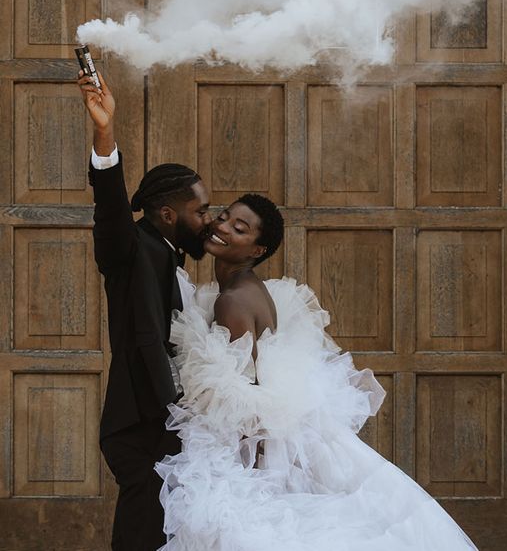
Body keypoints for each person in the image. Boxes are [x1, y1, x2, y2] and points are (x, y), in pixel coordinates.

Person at [156, 195, 478, 550]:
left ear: (257, 250)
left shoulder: (232, 301)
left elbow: (245, 394)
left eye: (239, 228)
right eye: (224, 217)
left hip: (254, 446)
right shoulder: (247, 289)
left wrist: (250, 470)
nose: (221, 227)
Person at [77, 70, 212, 550]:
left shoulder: (171, 259)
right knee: (140, 534)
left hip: (164, 424)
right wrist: (105, 133)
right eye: (201, 210)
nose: (208, 220)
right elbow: (110, 207)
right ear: (168, 213)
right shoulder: (132, 247)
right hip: (139, 425)